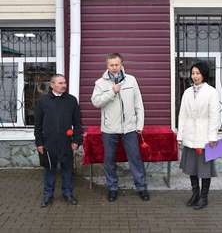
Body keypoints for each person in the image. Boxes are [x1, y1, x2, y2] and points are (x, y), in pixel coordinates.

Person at [91, 53, 149, 202]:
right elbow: (96, 102)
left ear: (122, 64)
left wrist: (139, 124)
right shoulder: (100, 83)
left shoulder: (131, 80)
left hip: (129, 128)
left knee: (135, 158)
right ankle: (112, 188)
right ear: (107, 65)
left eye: (117, 64)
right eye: (111, 65)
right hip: (109, 129)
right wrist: (112, 92)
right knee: (109, 159)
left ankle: (141, 187)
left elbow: (139, 104)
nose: (114, 67)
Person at [177, 61, 221, 210]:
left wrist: (212, 137)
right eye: (193, 73)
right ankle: (195, 194)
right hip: (190, 136)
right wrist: (180, 135)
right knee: (192, 167)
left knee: (205, 169)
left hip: (204, 138)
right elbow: (182, 115)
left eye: (198, 73)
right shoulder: (187, 92)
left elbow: (215, 116)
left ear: (204, 74)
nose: (195, 76)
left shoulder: (212, 92)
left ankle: (204, 197)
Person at [34, 74, 82, 208]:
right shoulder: (43, 101)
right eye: (60, 83)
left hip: (66, 142)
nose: (64, 85)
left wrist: (76, 140)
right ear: (52, 85)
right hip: (49, 143)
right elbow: (37, 124)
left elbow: (77, 123)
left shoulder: (72, 100)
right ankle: (48, 195)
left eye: (64, 83)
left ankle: (68, 194)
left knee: (67, 169)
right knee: (49, 170)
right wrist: (39, 143)